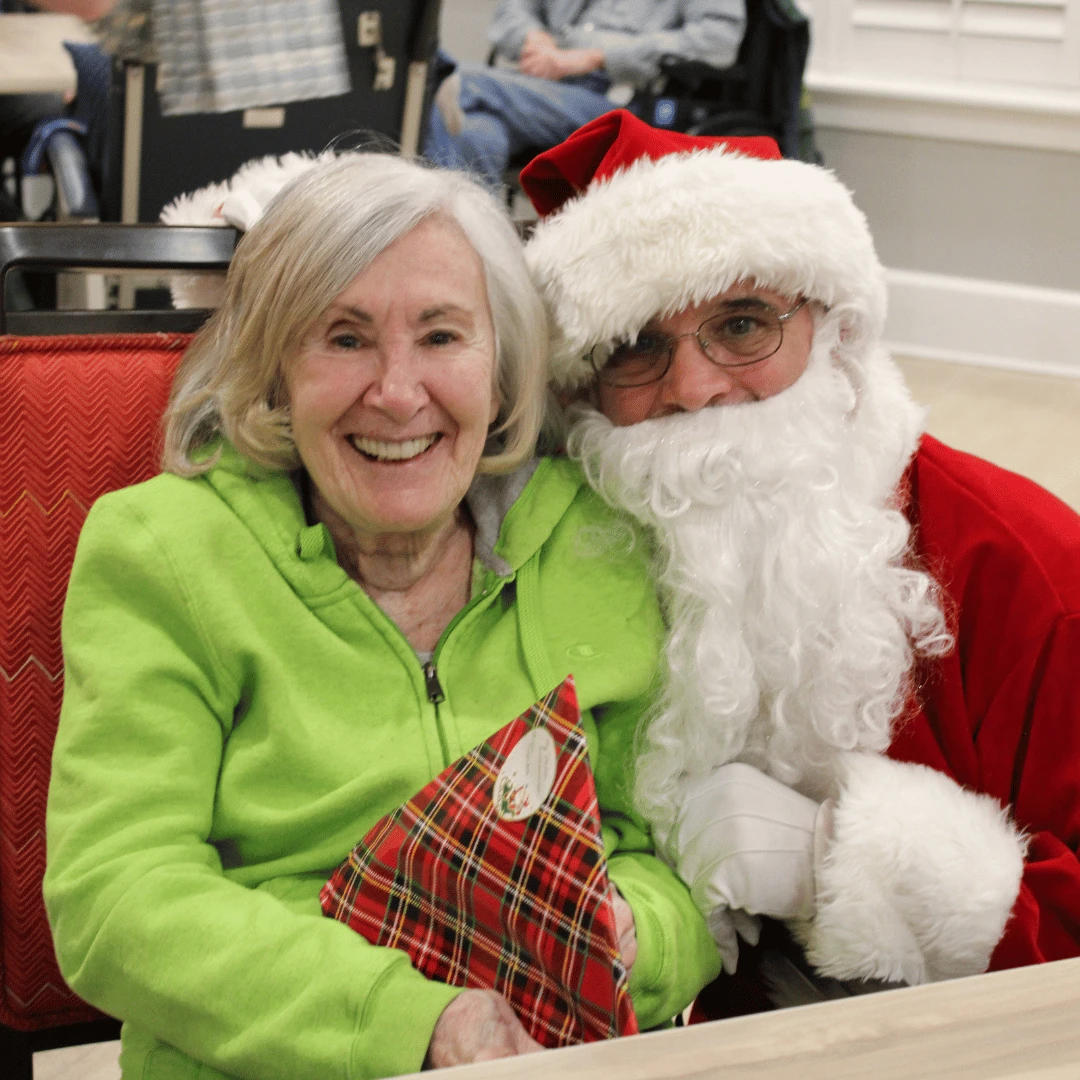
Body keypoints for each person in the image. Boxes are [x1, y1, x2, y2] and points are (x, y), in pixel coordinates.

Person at [43, 151, 720, 1080]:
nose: (398, 394)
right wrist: (415, 1024)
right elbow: (116, 899)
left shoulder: (599, 545)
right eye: (345, 337)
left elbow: (671, 859)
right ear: (276, 370)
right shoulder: (162, 551)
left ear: (503, 368)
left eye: (442, 337)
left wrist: (627, 936)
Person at [517, 109, 1080, 1003]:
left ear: (835, 331)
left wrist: (846, 869)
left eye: (743, 326)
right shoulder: (548, 560)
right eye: (636, 348)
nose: (695, 389)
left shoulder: (1027, 567)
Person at [424, 0, 745, 189]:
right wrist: (535, 39)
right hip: (538, 83)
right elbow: (512, 10)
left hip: (624, 95)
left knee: (454, 79)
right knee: (474, 134)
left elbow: (718, 40)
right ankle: (486, 269)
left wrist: (598, 57)